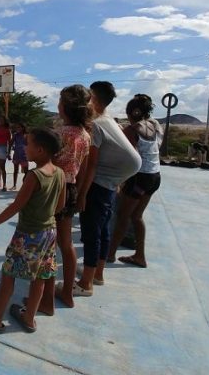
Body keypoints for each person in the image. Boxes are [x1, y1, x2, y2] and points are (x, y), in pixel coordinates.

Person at [0, 128, 66, 333]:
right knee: (40, 276)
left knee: (8, 274)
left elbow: (16, 207)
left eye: (28, 143)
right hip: (49, 233)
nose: (24, 147)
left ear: (39, 150)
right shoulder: (60, 173)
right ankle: (29, 318)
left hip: (28, 235)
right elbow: (59, 206)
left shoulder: (34, 176)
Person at [75, 81, 141, 296]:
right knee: (103, 230)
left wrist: (82, 194)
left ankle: (85, 283)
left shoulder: (95, 125)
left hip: (101, 182)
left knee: (91, 232)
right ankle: (97, 274)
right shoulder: (108, 119)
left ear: (92, 98)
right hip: (112, 181)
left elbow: (91, 163)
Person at [35, 84, 91, 310]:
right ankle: (67, 293)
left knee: (46, 246)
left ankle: (45, 301)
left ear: (65, 107)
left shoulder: (60, 134)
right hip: (71, 188)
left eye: (59, 102)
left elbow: (48, 164)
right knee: (66, 245)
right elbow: (84, 168)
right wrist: (81, 195)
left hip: (52, 190)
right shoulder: (85, 135)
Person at [106, 94, 162, 269]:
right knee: (136, 216)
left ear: (133, 112)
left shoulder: (132, 130)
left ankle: (110, 254)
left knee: (123, 216)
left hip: (139, 178)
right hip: (154, 176)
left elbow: (128, 158)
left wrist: (119, 181)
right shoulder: (155, 124)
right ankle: (140, 256)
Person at [9, 122, 28, 190]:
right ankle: (14, 185)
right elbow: (10, 143)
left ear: (23, 128)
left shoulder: (26, 135)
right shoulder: (15, 135)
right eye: (17, 127)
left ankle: (25, 186)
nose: (17, 129)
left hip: (24, 155)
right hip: (16, 154)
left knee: (26, 172)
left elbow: (29, 145)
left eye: (19, 127)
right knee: (15, 171)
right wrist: (8, 153)